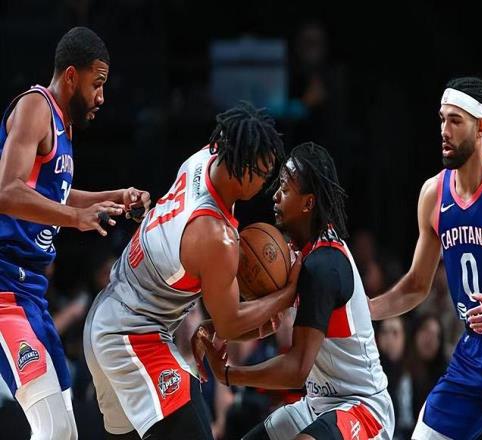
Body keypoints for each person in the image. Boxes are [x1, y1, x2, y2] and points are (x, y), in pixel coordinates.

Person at [83, 101, 302, 440]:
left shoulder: (206, 157)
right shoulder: (216, 236)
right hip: (130, 336)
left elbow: (224, 326)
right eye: (263, 173)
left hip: (109, 319)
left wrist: (244, 323)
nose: (266, 183)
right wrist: (287, 294)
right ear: (243, 168)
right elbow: (229, 324)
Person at [0, 27, 150, 439]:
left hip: (30, 293)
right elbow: (6, 191)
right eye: (96, 84)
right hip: (4, 289)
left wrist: (116, 197)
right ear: (71, 76)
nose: (101, 97)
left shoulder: (64, 129)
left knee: (66, 429)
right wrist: (76, 218)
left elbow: (58, 195)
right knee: (51, 429)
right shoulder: (36, 107)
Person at [198, 142, 394, 439]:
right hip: (318, 404)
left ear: (308, 203)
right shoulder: (297, 254)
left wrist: (229, 374)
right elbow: (267, 323)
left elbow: (296, 369)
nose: (275, 195)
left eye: (285, 188)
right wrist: (215, 329)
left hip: (363, 407)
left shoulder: (324, 266)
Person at [369, 76, 482, 439]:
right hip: (475, 352)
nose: (444, 130)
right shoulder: (433, 193)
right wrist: (362, 310)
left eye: (455, 121)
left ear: (481, 128)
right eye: (442, 119)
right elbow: (415, 286)